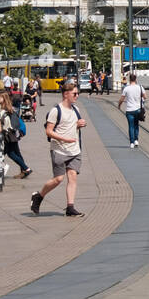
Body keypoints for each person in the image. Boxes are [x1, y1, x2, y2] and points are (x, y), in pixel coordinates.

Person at [31, 80, 87, 217]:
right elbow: (49, 131)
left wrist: (80, 124)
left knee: (72, 177)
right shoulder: (56, 111)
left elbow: (73, 126)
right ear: (66, 94)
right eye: (75, 93)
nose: (77, 96)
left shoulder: (76, 109)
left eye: (78, 93)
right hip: (59, 149)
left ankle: (70, 207)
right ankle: (39, 196)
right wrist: (64, 139)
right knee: (58, 179)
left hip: (74, 150)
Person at [0, 89, 31, 179]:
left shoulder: (5, 111)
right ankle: (24, 170)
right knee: (16, 153)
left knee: (8, 154)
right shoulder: (9, 109)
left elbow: (6, 124)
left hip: (8, 135)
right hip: (12, 135)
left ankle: (26, 169)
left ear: (4, 99)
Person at [117, 73, 146, 148]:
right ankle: (136, 140)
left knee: (131, 126)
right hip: (138, 110)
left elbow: (122, 99)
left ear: (129, 80)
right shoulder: (140, 87)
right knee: (136, 125)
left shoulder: (126, 88)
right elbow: (145, 97)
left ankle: (131, 143)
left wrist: (119, 106)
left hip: (129, 110)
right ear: (136, 79)